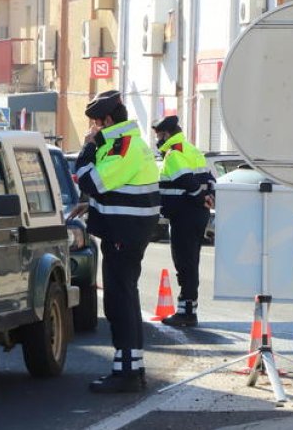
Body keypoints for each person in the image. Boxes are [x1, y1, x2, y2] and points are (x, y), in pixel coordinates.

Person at [68, 90, 161, 393]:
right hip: (125, 230)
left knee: (119, 302)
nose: (92, 128)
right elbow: (113, 189)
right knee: (125, 298)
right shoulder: (125, 143)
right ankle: (132, 366)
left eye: (95, 122)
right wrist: (91, 205)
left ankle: (126, 374)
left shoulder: (122, 145)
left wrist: (87, 147)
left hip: (124, 233)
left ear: (107, 120)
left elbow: (88, 180)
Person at [152, 115, 215, 328]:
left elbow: (185, 180)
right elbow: (210, 179)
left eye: (159, 135)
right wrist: (207, 196)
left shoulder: (173, 153)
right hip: (196, 215)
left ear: (166, 134)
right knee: (190, 262)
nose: (157, 140)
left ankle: (186, 313)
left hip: (184, 216)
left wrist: (199, 196)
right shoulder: (191, 149)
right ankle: (188, 309)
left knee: (184, 263)